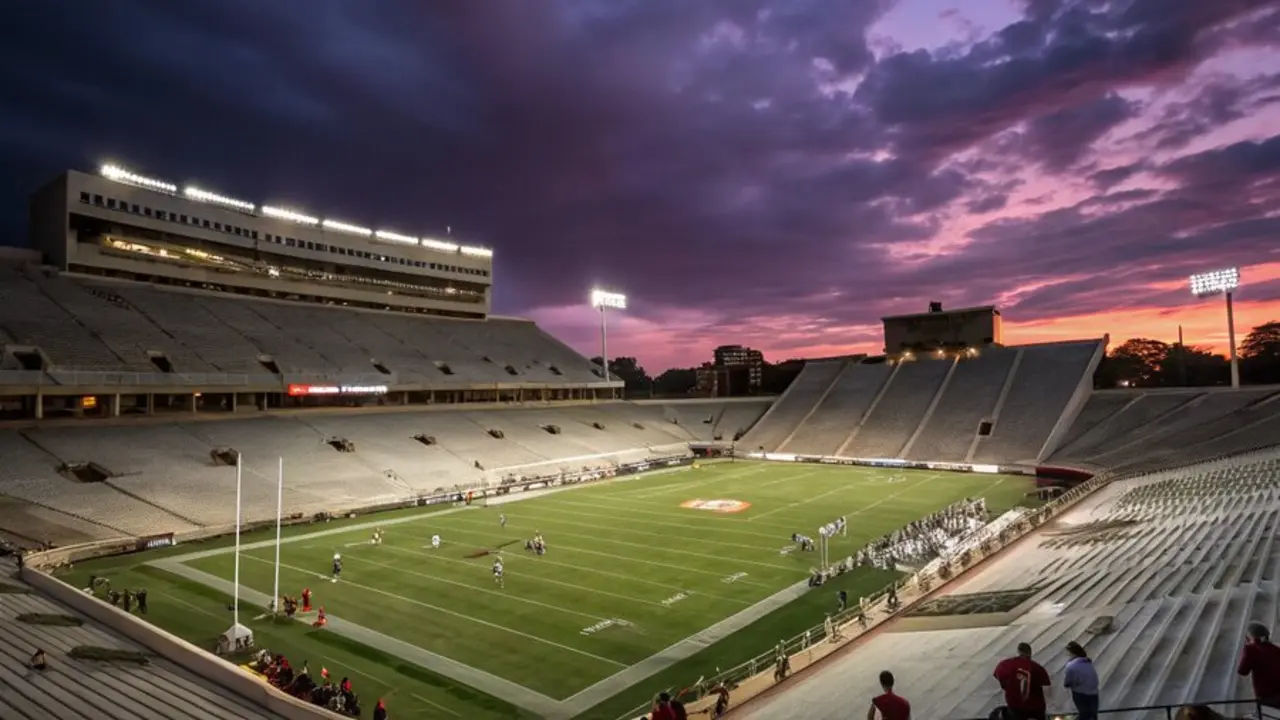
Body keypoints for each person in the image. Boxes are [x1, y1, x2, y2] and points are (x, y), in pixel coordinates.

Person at [993, 642, 1051, 720]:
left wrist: (1007, 686)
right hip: (1035, 706)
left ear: (1018, 651)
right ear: (1030, 653)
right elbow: (1047, 688)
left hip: (1014, 704)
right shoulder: (1037, 667)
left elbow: (998, 675)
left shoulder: (1005, 664)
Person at [1238, 622, 1280, 707]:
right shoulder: (1277, 649)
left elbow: (1242, 671)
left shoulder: (1250, 649)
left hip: (1267, 697)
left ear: (1249, 637)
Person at [1063, 641, 1099, 720]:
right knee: (1093, 715)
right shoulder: (1088, 662)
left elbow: (1066, 683)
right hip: (1094, 693)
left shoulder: (1071, 666)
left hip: (1080, 694)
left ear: (1072, 653)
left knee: (1083, 715)